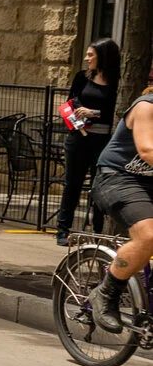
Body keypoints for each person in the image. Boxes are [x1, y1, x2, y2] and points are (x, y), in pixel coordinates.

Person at [85, 74, 153, 336]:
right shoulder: (146, 106)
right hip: (118, 178)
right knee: (148, 235)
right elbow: (147, 150)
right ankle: (105, 293)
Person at [58, 38, 122, 243]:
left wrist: (93, 112)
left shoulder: (117, 82)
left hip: (103, 140)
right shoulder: (82, 77)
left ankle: (97, 231)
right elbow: (71, 101)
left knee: (98, 186)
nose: (86, 59)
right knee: (72, 184)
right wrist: (79, 115)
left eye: (90, 55)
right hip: (79, 136)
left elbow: (115, 111)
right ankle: (63, 230)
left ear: (102, 57)